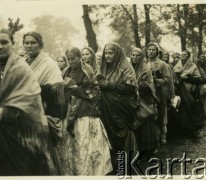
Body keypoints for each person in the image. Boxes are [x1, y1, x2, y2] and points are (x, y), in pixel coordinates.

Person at [0, 28, 56, 176]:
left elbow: (32, 100)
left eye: (4, 42)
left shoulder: (22, 69)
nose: (0, 46)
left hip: (19, 136)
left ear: (12, 43)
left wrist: (5, 111)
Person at [62, 47, 112, 175]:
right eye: (68, 59)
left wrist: (75, 89)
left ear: (80, 58)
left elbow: (95, 92)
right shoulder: (65, 71)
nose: (71, 61)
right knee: (73, 144)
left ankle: (91, 172)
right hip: (69, 110)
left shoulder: (88, 70)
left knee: (86, 143)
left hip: (86, 111)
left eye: (73, 58)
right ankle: (75, 171)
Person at [23, 31, 65, 174]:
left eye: (33, 42)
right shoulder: (22, 62)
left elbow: (58, 95)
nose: (29, 45)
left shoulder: (49, 65)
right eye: (26, 42)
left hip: (43, 117)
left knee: (43, 159)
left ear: (41, 45)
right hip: (22, 117)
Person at [97, 42, 138, 175]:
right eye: (106, 53)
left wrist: (109, 85)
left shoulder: (126, 68)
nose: (107, 56)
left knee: (122, 138)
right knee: (110, 138)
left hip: (121, 110)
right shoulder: (103, 68)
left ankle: (125, 167)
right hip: (106, 109)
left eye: (111, 53)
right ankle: (114, 167)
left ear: (117, 54)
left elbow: (130, 87)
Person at [130, 48, 159, 154]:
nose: (135, 57)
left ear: (141, 57)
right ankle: (139, 147)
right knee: (137, 121)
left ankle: (151, 146)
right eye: (133, 55)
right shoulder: (129, 68)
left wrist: (136, 85)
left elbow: (149, 85)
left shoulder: (145, 69)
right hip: (133, 98)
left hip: (145, 98)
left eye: (137, 55)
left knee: (147, 120)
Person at [173, 50, 203, 137]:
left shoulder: (193, 66)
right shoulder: (177, 66)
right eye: (181, 54)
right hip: (180, 91)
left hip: (190, 92)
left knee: (191, 110)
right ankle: (185, 130)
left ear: (188, 56)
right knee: (183, 111)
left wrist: (187, 78)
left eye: (185, 55)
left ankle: (193, 130)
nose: (182, 56)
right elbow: (174, 77)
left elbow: (199, 79)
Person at [146, 42, 171, 145]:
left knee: (161, 111)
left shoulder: (162, 64)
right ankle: (153, 135)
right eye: (149, 49)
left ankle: (163, 135)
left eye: (153, 50)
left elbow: (168, 79)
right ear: (146, 51)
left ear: (157, 51)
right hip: (147, 91)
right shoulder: (144, 63)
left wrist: (158, 81)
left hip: (159, 91)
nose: (151, 52)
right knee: (150, 112)